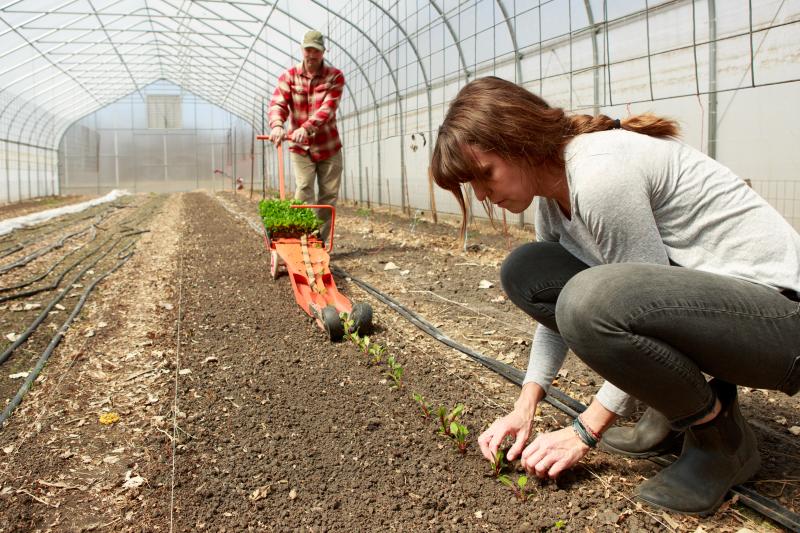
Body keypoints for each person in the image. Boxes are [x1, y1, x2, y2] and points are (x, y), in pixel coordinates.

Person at [430, 76, 800, 515]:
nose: (483, 193)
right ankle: (671, 413)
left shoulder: (599, 174)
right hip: (721, 316)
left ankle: (721, 440)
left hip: (780, 324)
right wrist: (526, 402)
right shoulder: (553, 199)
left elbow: (634, 300)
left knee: (592, 298)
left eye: (485, 174)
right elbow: (568, 314)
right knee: (527, 270)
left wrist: (585, 430)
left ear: (519, 141)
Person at [269, 30, 345, 243]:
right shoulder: (289, 77)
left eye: (316, 51)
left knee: (328, 196)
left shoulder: (335, 76)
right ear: (302, 50)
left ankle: (318, 243)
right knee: (303, 189)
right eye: (308, 50)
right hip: (300, 148)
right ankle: (299, 239)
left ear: (323, 52)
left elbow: (328, 108)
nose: (311, 55)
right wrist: (277, 125)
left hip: (329, 146)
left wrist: (307, 127)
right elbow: (278, 103)